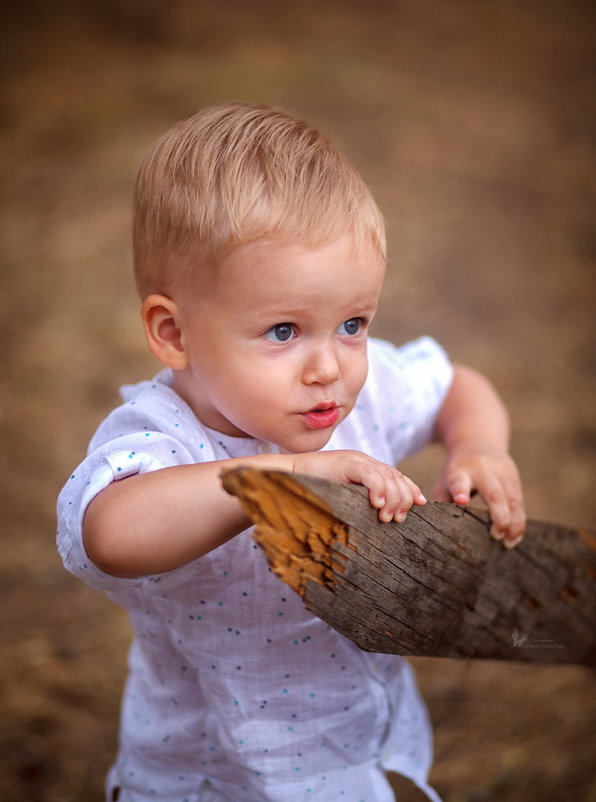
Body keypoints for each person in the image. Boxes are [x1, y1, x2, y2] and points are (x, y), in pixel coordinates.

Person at [57, 102, 526, 802]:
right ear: (174, 333)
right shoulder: (165, 440)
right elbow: (112, 533)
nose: (328, 368)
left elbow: (457, 384)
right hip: (204, 778)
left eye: (351, 324)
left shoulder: (350, 403)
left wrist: (480, 445)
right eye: (283, 331)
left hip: (346, 759)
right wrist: (283, 478)